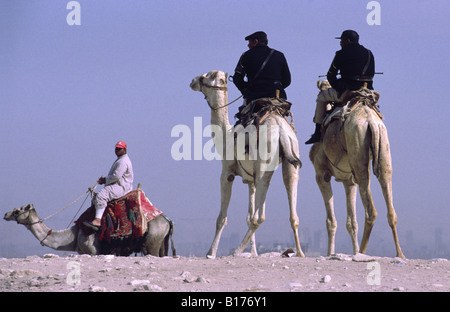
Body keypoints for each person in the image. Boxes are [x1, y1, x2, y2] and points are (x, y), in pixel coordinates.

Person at [305, 30, 375, 144]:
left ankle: (317, 132)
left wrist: (339, 87)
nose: (340, 43)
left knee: (321, 97)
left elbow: (330, 76)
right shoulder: (369, 53)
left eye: (341, 41)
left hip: (347, 91)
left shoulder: (341, 53)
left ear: (347, 41)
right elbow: (371, 74)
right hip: (367, 91)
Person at [232, 31, 291, 124]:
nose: (248, 45)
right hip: (276, 97)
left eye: (249, 42)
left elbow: (237, 79)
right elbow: (287, 80)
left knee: (240, 128)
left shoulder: (246, 56)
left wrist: (246, 90)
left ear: (255, 41)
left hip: (254, 98)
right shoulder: (279, 55)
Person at [83, 140, 134, 231]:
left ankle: (97, 220)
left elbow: (116, 176)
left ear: (124, 149)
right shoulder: (121, 159)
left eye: (119, 149)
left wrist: (105, 180)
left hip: (121, 187)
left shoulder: (123, 161)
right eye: (116, 148)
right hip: (118, 184)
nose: (117, 150)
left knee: (101, 196)